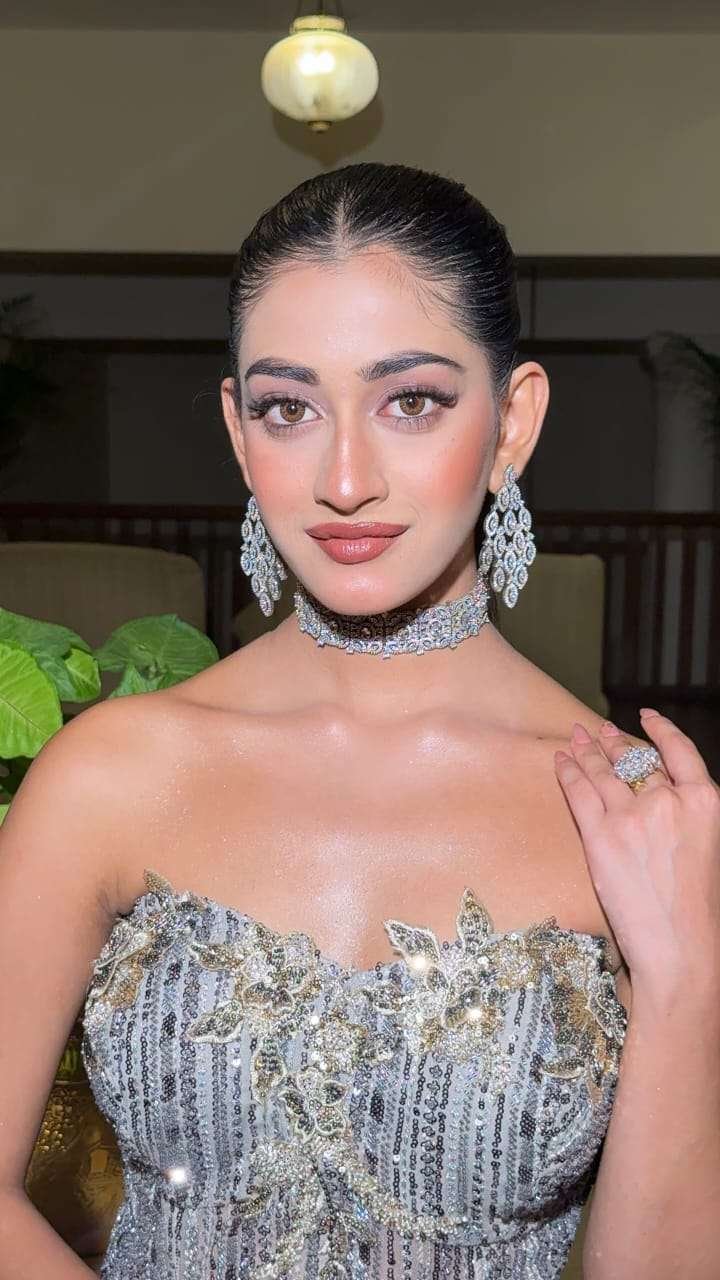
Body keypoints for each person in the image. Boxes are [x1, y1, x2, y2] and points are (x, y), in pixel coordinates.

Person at [1, 163, 719, 1280]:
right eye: (289, 408)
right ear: (240, 432)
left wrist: (688, 979)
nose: (344, 478)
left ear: (514, 421)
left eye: (411, 400)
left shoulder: (637, 819)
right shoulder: (111, 773)